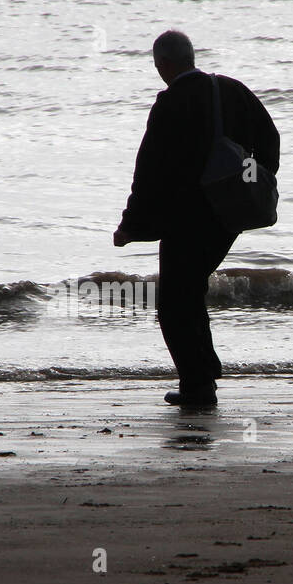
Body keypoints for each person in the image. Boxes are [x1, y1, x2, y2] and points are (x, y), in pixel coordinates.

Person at [113, 30, 280, 406]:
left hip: (188, 218)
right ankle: (203, 377)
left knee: (174, 301)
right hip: (228, 216)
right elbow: (270, 141)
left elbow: (149, 171)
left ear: (165, 65)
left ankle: (198, 385)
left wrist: (130, 225)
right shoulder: (233, 90)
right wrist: (247, 178)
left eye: (159, 67)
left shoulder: (171, 103)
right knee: (190, 292)